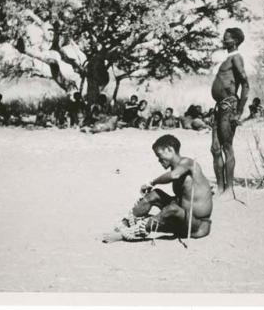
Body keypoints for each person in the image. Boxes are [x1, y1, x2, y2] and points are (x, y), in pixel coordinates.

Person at [103, 135, 213, 243]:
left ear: (170, 149)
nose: (159, 160)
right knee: (155, 194)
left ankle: (128, 233)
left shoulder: (188, 163)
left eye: (159, 155)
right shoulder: (177, 167)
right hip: (181, 218)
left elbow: (174, 175)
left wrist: (152, 182)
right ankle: (125, 224)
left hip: (197, 225)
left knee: (172, 208)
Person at [210, 27, 249, 198]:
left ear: (234, 41)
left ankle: (229, 189)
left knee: (227, 147)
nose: (223, 41)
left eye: (226, 39)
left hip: (228, 107)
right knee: (215, 148)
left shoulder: (236, 58)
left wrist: (238, 112)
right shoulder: (227, 59)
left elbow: (246, 84)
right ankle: (220, 188)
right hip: (219, 107)